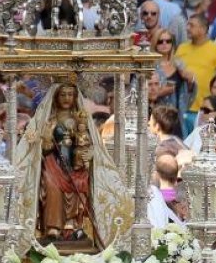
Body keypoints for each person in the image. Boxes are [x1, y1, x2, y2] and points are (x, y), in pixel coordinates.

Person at [11, 82, 132, 252]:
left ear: (75, 97)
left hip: (76, 166)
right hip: (53, 163)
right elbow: (42, 150)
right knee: (51, 184)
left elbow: (92, 145)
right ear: (55, 98)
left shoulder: (81, 120)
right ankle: (53, 227)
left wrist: (88, 153)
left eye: (70, 94)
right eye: (63, 95)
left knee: (80, 186)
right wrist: (46, 140)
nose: (67, 98)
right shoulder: (48, 120)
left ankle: (74, 226)